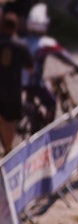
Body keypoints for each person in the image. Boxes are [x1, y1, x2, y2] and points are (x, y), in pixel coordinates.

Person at [23, 2, 78, 129]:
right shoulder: (45, 43)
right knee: (51, 103)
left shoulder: (23, 40)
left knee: (31, 100)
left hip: (18, 81)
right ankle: (45, 131)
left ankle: (33, 121)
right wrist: (77, 65)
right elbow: (63, 55)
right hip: (34, 82)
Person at [0, 12, 33, 154]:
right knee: (11, 120)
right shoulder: (21, 45)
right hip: (13, 88)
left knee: (1, 117)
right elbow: (30, 68)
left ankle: (5, 146)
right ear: (16, 27)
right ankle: (8, 148)